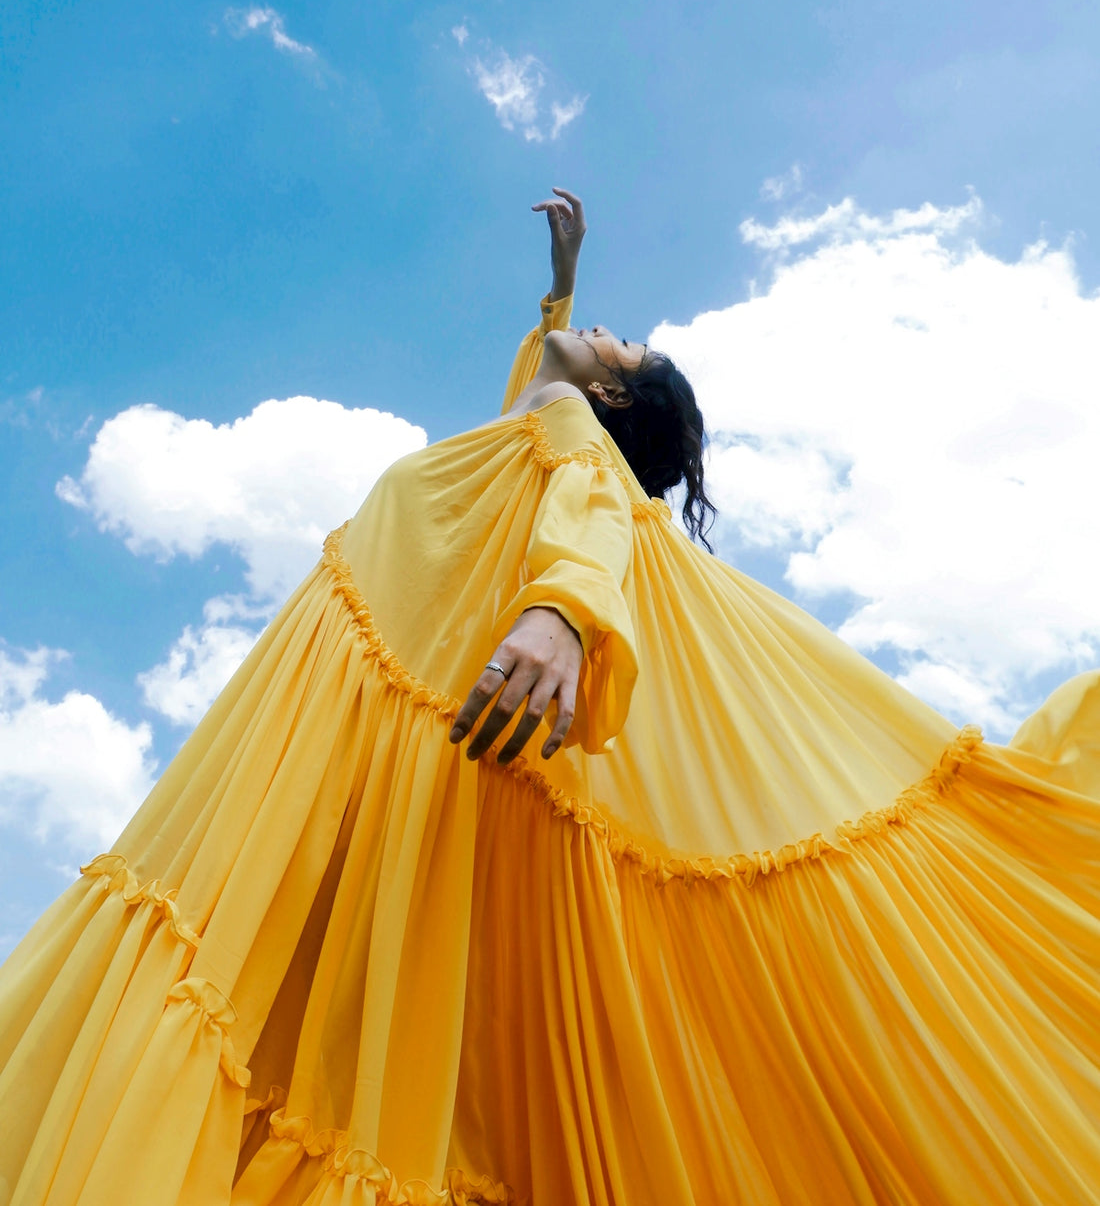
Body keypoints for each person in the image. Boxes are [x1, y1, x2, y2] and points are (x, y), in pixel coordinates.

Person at [1, 190, 1100, 1206]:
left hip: (391, 729)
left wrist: (560, 616)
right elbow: (534, 390)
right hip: (352, 734)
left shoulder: (569, 450)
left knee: (290, 1016)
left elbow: (595, 508)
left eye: (614, 346)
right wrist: (562, 287)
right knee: (286, 1008)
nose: (597, 336)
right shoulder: (523, 435)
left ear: (610, 394)